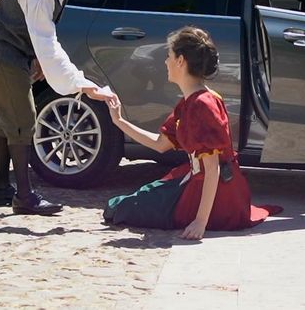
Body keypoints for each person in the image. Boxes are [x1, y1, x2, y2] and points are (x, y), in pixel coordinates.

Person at [0, 0, 117, 216]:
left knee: (7, 117)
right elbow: (48, 43)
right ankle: (25, 197)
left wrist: (38, 58)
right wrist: (82, 85)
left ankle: (1, 189)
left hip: (14, 48)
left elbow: (42, 34)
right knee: (22, 118)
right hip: (2, 50)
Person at [104, 26, 280, 239]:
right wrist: (119, 121)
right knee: (132, 200)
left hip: (216, 197)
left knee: (120, 209)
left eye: (169, 56)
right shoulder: (190, 102)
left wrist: (200, 222)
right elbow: (161, 144)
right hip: (196, 181)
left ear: (181, 60)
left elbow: (212, 168)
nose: (165, 62)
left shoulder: (203, 104)